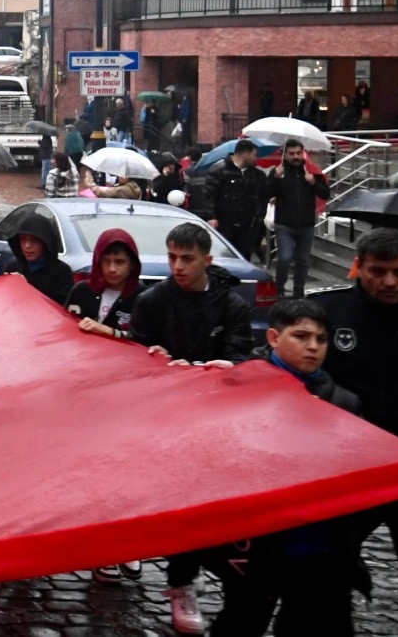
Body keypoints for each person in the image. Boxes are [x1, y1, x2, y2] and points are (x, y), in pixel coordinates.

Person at [184, 298, 364, 637]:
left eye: (321, 339)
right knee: (242, 621)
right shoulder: (242, 388)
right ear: (273, 338)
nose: (313, 347)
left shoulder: (344, 402)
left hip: (319, 548)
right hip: (257, 544)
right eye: (301, 336)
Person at [131, 222, 254, 634]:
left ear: (207, 259)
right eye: (172, 258)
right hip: (162, 418)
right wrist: (156, 360)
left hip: (213, 418)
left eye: (187, 258)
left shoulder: (231, 305)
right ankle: (172, 577)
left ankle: (194, 578)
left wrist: (219, 369)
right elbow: (132, 355)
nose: (178, 266)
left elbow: (240, 356)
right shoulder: (152, 300)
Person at [313, 228, 398, 634]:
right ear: (358, 267)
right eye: (378, 271)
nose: (389, 282)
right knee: (328, 571)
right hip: (348, 469)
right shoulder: (327, 316)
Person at [268, 138, 330, 299]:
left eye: (298, 153)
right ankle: (279, 287)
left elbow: (325, 193)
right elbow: (266, 193)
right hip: (284, 224)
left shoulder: (312, 172)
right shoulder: (279, 172)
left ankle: (298, 291)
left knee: (303, 260)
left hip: (306, 224)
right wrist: (275, 177)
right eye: (291, 154)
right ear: (285, 155)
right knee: (285, 257)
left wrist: (313, 183)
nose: (296, 157)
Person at [66, 229, 141, 342]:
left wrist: (110, 331)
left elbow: (146, 341)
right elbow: (64, 329)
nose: (112, 269)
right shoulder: (81, 291)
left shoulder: (142, 299)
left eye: (119, 262)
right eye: (105, 261)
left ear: (132, 264)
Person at [208, 139, 269, 261]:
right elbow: (209, 194)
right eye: (254, 155)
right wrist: (211, 216)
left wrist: (259, 214)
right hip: (224, 223)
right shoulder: (218, 170)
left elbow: (264, 195)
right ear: (245, 154)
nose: (256, 159)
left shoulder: (257, 175)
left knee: (244, 256)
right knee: (225, 255)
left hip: (248, 224)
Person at [8, 212, 74, 304]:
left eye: (34, 240)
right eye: (23, 239)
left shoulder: (62, 272)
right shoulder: (13, 267)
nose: (27, 246)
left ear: (45, 242)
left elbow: (61, 310)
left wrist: (26, 287)